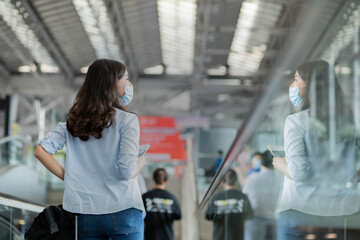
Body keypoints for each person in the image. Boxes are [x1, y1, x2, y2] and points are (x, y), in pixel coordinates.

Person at [34, 59, 146, 240]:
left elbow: (40, 151)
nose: (129, 84)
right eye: (125, 79)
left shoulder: (74, 120)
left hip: (85, 212)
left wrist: (69, 177)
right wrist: (141, 162)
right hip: (122, 208)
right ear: (112, 83)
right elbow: (126, 172)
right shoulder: (128, 120)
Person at [273, 60, 359, 239]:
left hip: (301, 211)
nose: (293, 85)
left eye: (296, 79)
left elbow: (298, 172)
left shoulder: (296, 122)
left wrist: (280, 163)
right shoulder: (350, 122)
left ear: (310, 84)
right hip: (345, 212)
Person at [243, 150, 282, 240]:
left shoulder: (252, 178)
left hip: (256, 219)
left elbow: (245, 197)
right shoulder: (281, 179)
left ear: (261, 162)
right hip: (275, 220)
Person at [205, 169, 253, 240]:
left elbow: (208, 216)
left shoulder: (216, 198)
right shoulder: (243, 197)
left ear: (223, 182)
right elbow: (250, 215)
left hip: (219, 236)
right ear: (236, 180)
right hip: (237, 237)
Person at [142, 168, 181, 240]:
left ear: (153, 179)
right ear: (167, 180)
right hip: (167, 236)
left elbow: (140, 215)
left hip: (150, 236)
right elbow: (178, 215)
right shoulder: (172, 198)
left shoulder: (145, 197)